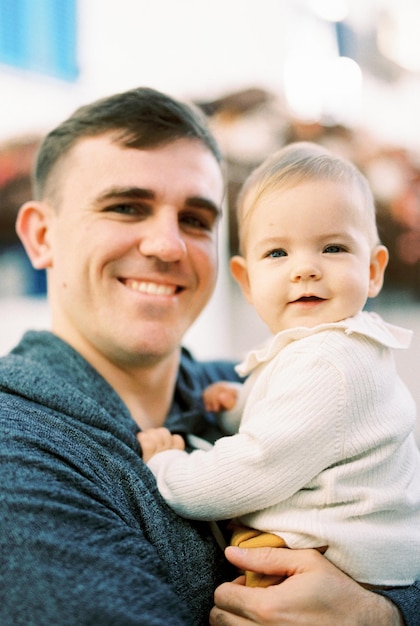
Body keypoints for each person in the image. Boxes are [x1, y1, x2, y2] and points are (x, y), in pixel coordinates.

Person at [0, 88, 415, 626]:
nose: (168, 246)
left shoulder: (253, 383)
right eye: (127, 207)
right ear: (41, 235)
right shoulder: (20, 446)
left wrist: (381, 614)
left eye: (196, 219)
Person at [138, 143, 420, 591]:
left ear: (372, 269)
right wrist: (238, 405)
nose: (305, 269)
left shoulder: (327, 362)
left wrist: (168, 467)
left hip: (330, 558)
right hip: (354, 554)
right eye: (277, 254)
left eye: (332, 247)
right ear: (247, 280)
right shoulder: (333, 349)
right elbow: (304, 426)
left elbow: (250, 470)